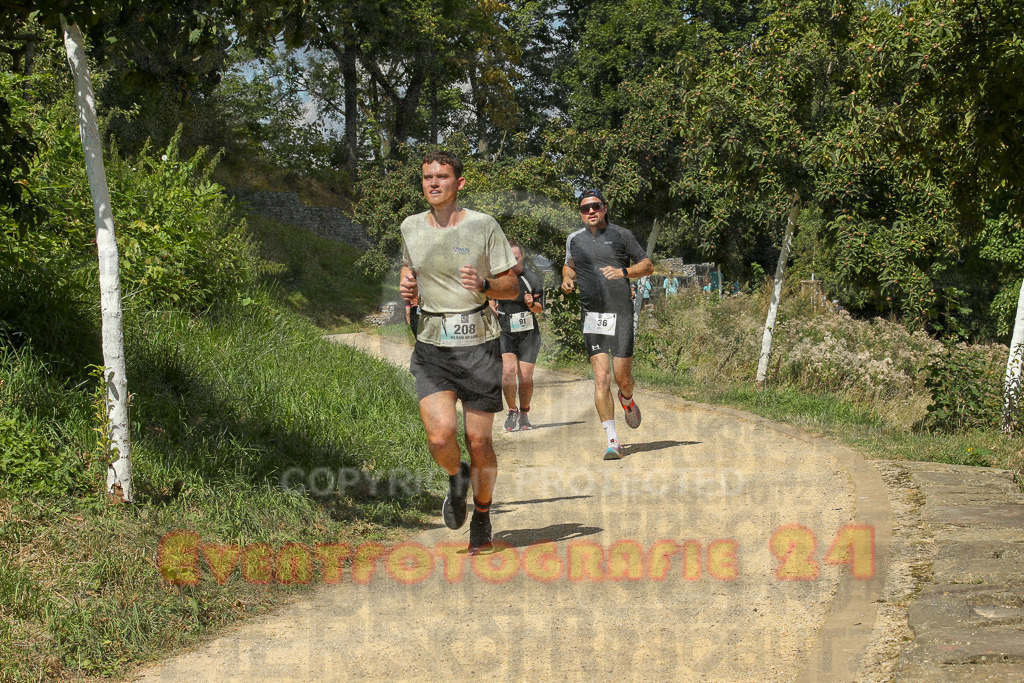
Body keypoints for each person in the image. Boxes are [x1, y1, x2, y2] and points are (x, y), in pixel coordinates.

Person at [399, 151, 518, 553]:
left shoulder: (484, 226)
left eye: (442, 177)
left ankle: (482, 513)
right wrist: (407, 286)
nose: (434, 183)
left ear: (459, 183)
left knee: (480, 441)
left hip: (480, 345)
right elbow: (409, 268)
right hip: (432, 343)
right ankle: (457, 477)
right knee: (439, 438)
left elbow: (512, 288)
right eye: (428, 177)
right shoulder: (411, 227)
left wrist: (484, 284)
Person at [561, 189, 653, 460]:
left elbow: (647, 265)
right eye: (584, 208)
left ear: (605, 208)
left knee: (623, 379)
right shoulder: (574, 240)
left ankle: (627, 399)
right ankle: (613, 441)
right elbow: (569, 266)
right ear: (580, 212)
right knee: (601, 378)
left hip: (621, 313)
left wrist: (623, 272)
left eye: (595, 206)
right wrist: (568, 279)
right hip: (593, 315)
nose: (590, 211)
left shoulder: (621, 235)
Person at [492, 239, 544, 432]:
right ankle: (512, 410)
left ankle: (524, 413)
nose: (512, 263)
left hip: (528, 334)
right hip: (505, 331)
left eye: (516, 258)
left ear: (522, 257)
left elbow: (540, 309)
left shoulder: (532, 278)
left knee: (525, 378)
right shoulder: (498, 278)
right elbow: (487, 296)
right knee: (507, 373)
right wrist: (490, 303)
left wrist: (532, 304)